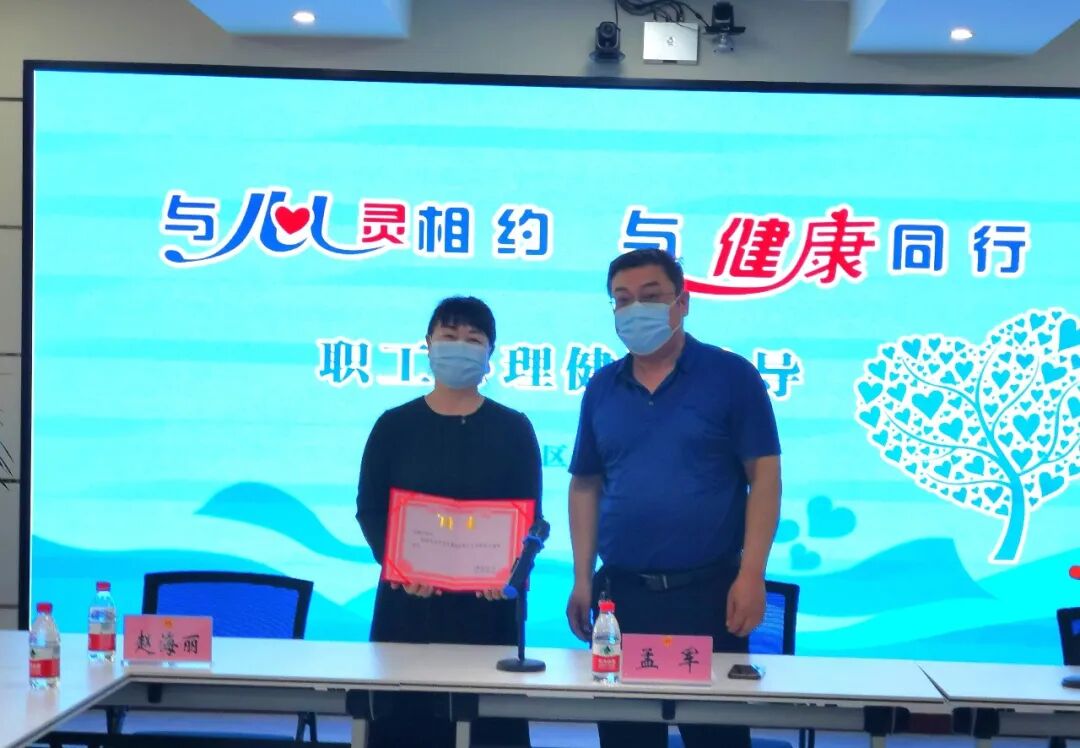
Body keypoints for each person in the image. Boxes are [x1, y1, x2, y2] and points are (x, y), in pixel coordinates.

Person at [566, 249, 782, 748]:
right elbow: (585, 485)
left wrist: (752, 573)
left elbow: (765, 477)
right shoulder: (602, 387)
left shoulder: (732, 377)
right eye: (622, 300)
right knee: (626, 739)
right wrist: (581, 578)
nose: (634, 310)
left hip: (709, 596)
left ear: (682, 302)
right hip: (622, 599)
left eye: (650, 296)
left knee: (716, 738)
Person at [356, 296, 541, 748]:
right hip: (408, 610)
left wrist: (510, 575)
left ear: (490, 352)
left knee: (488, 733)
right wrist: (400, 567)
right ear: (428, 344)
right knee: (404, 730)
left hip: (487, 613)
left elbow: (531, 522)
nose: (460, 346)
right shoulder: (394, 426)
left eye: (473, 339)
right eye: (449, 336)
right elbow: (370, 509)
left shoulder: (514, 429)